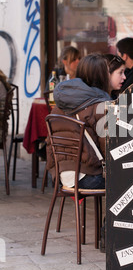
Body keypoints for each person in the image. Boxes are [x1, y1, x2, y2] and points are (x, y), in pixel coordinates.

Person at [46, 53, 111, 190]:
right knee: (132, 181)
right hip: (89, 177)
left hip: (63, 175)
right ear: (102, 76)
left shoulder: (58, 106)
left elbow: (49, 144)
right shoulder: (100, 106)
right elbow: (109, 149)